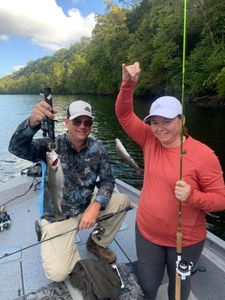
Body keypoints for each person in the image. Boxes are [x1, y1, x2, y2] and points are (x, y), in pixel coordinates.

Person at [115, 62, 225, 299]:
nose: (159, 128)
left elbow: (221, 200)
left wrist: (193, 196)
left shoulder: (204, 155)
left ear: (182, 120)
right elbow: (124, 115)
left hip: (186, 241)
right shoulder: (148, 139)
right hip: (146, 233)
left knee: (180, 289)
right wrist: (128, 84)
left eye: (166, 121)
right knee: (147, 284)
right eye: (154, 122)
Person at [8, 99, 130, 282]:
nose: (82, 126)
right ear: (66, 122)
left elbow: (107, 180)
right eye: (76, 121)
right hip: (58, 214)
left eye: (87, 122)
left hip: (87, 205)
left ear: (91, 124)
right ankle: (48, 233)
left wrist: (96, 205)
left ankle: (97, 243)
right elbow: (16, 148)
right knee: (58, 273)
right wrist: (31, 123)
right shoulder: (50, 146)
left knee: (123, 202)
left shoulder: (98, 148)